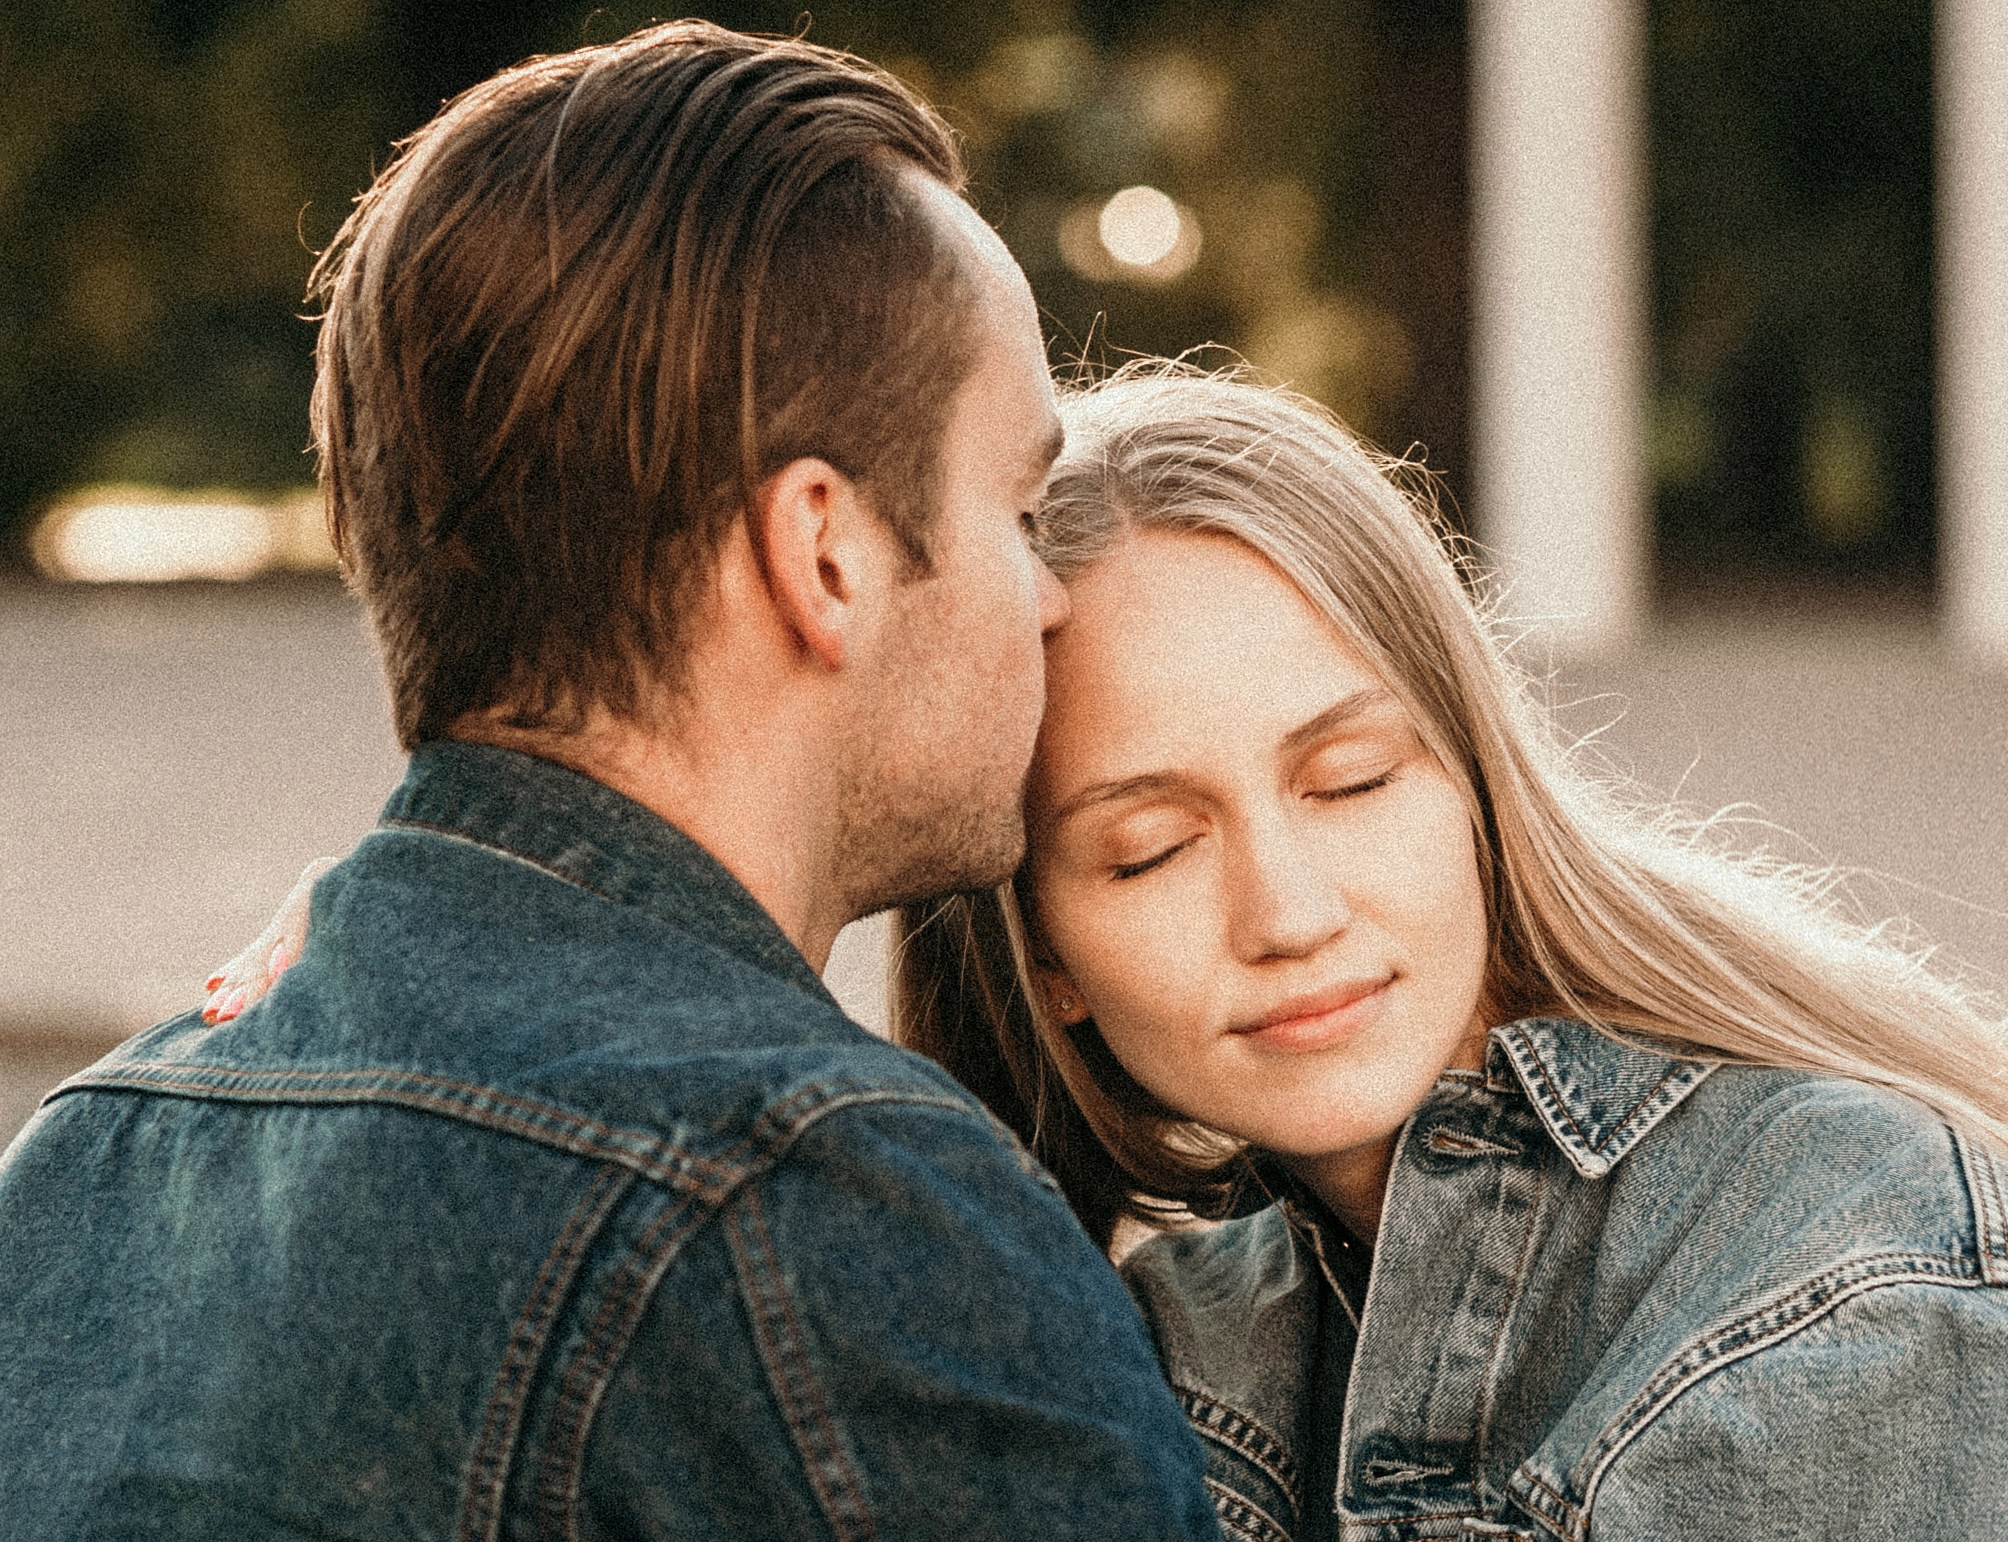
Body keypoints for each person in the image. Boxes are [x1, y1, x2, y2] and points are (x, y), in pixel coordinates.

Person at [0, 24, 1220, 1542]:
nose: (1049, 598)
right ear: (822, 551)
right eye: (1022, 505)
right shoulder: (833, 1209)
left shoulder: (87, 1161)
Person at [888, 367, 2008, 1539]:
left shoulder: (1859, 1297)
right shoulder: (1171, 1348)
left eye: (1353, 778)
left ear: (1475, 789)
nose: (1288, 908)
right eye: (1151, 847)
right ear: (1046, 955)